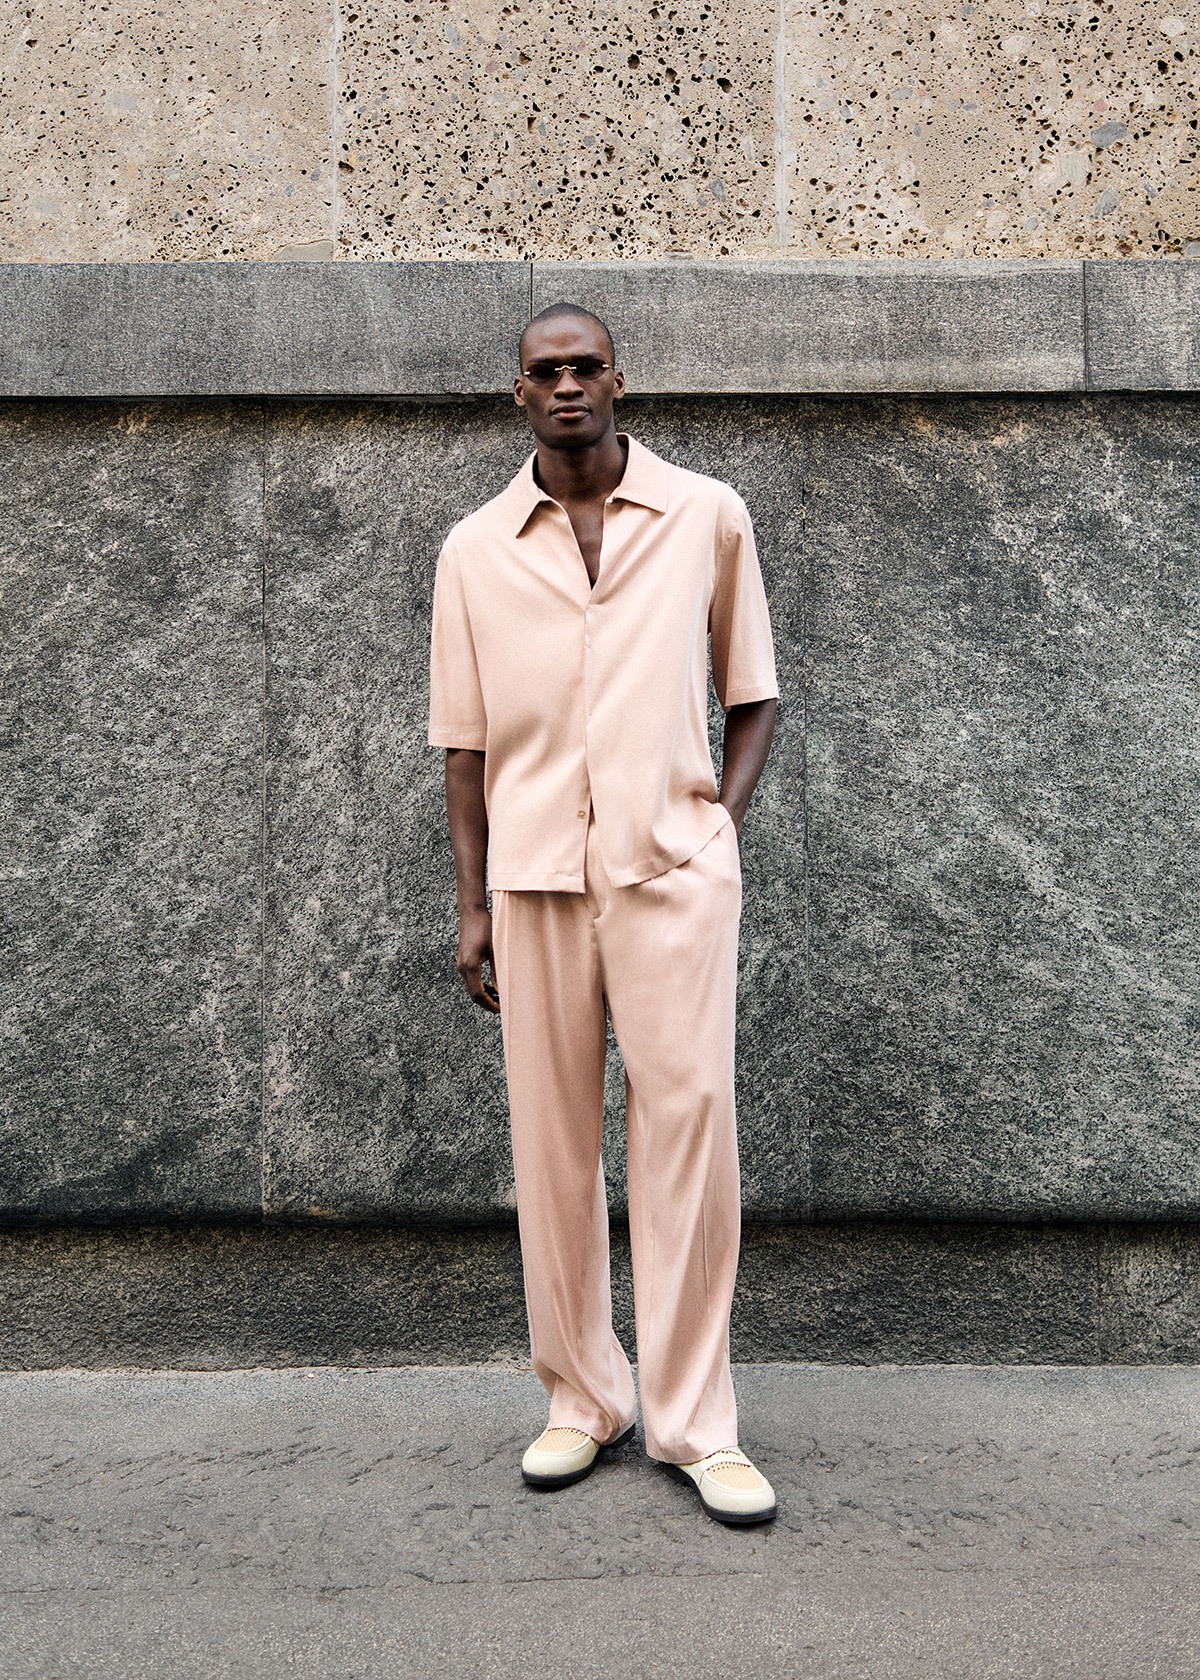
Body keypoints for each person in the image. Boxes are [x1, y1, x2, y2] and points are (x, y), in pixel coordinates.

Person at [428, 302, 779, 1525]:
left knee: (688, 1136)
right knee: (552, 1151)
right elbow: (464, 751)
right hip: (531, 882)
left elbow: (754, 693)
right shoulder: (474, 549)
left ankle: (694, 1422)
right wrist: (469, 904)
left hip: (671, 874)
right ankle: (583, 1399)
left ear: (620, 380)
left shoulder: (706, 517)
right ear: (515, 393)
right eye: (544, 371)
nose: (567, 385)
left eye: (586, 367)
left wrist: (714, 827)